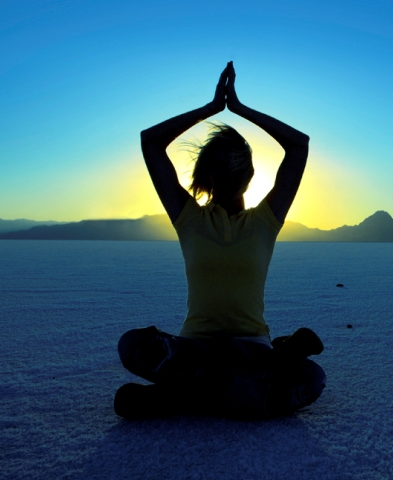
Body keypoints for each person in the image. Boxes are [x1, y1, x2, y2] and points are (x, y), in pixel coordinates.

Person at [114, 61, 326, 420]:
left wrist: (241, 109)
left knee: (313, 379)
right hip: (196, 349)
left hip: (251, 349)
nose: (227, 176)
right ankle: (258, 376)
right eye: (220, 167)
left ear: (247, 174)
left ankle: (177, 397)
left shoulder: (264, 221)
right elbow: (150, 142)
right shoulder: (190, 219)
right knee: (132, 345)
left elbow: (299, 146)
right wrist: (211, 109)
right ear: (209, 174)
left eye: (234, 167)